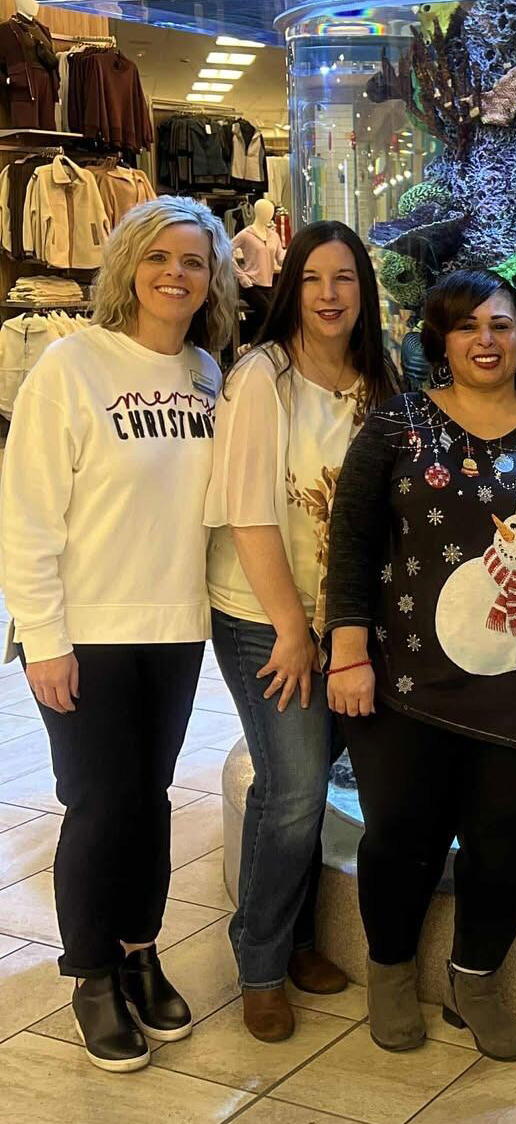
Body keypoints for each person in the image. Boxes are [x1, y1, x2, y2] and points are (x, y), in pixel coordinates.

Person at [323, 270, 516, 1060]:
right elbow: (350, 545)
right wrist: (347, 652)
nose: (484, 340)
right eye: (465, 327)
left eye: (499, 324)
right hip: (404, 681)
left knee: (514, 836)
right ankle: (391, 976)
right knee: (400, 835)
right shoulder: (392, 428)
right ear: (439, 342)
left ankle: (475, 980)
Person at [0, 196, 236, 1072]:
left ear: (214, 280)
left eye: (195, 262)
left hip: (174, 626)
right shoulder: (73, 364)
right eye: (161, 258)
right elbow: (26, 511)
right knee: (97, 805)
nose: (176, 275)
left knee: (152, 800)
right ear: (129, 264)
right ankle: (91, 975)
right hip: (85, 629)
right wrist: (43, 635)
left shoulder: (211, 374)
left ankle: (141, 949)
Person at [205, 221, 399, 1042]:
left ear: (365, 291)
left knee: (314, 783)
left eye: (345, 278)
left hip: (347, 625)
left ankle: (301, 938)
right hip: (264, 617)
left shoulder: (377, 380)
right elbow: (248, 514)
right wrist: (293, 627)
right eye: (314, 278)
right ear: (291, 286)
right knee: (291, 791)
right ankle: (258, 960)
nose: (329, 294)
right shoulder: (262, 377)